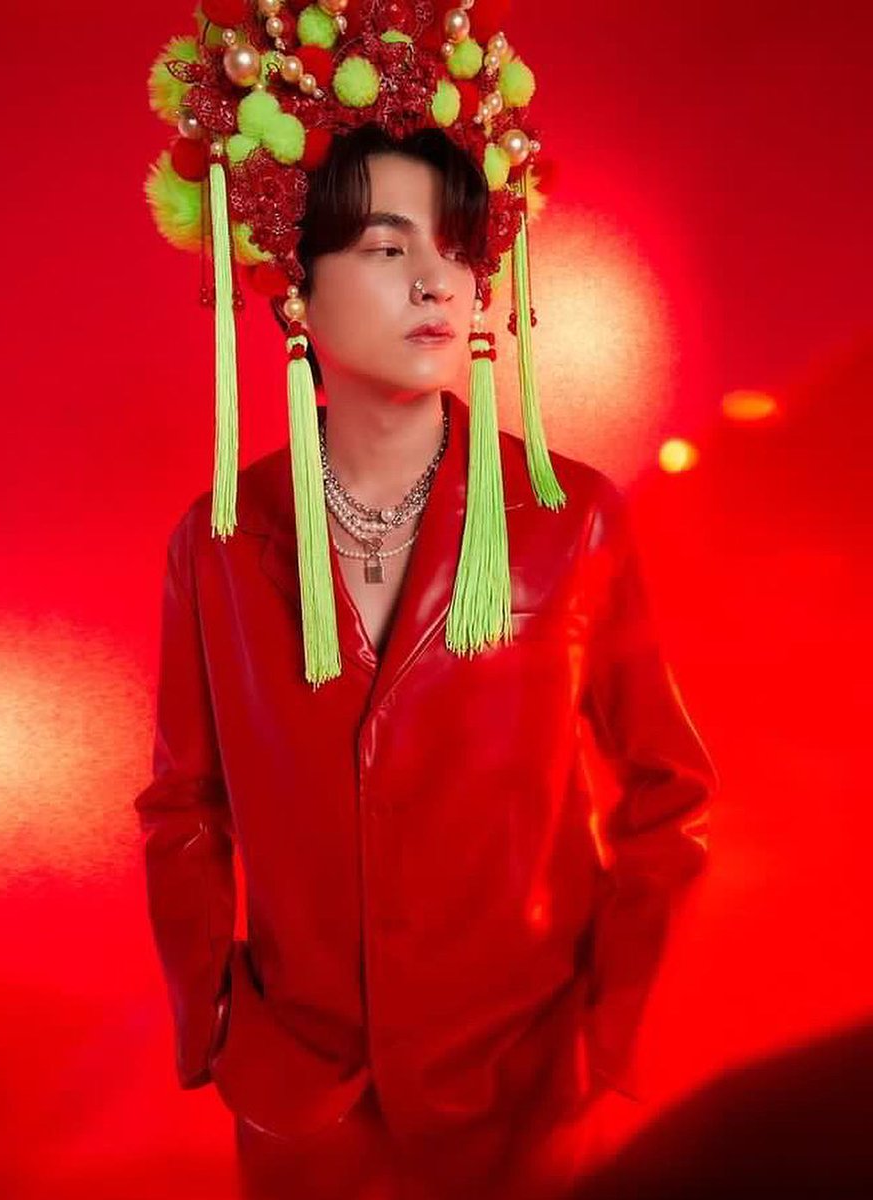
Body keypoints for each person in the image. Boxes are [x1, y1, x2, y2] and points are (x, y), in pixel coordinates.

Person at [135, 5, 720, 1198]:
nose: (432, 281)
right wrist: (219, 1029)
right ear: (293, 285)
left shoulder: (570, 518)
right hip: (305, 1110)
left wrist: (609, 1032)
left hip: (523, 1095)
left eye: (452, 246)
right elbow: (183, 807)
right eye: (382, 246)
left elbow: (669, 798)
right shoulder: (219, 542)